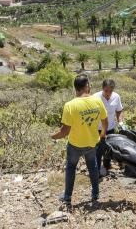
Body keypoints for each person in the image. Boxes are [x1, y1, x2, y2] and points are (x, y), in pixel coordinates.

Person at [51, 74, 108, 209]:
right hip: (91, 143)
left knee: (71, 169)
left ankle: (67, 198)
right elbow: (105, 121)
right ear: (87, 86)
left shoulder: (70, 105)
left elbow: (65, 131)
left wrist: (53, 136)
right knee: (93, 168)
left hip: (75, 145)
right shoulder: (97, 101)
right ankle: (95, 195)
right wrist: (103, 135)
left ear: (75, 88)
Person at [94, 79, 124, 177]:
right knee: (98, 150)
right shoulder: (95, 97)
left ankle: (107, 165)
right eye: (106, 91)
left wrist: (120, 121)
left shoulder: (116, 97)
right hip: (97, 128)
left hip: (110, 127)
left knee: (109, 148)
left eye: (110, 91)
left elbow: (119, 110)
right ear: (102, 88)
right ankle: (97, 170)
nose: (108, 93)